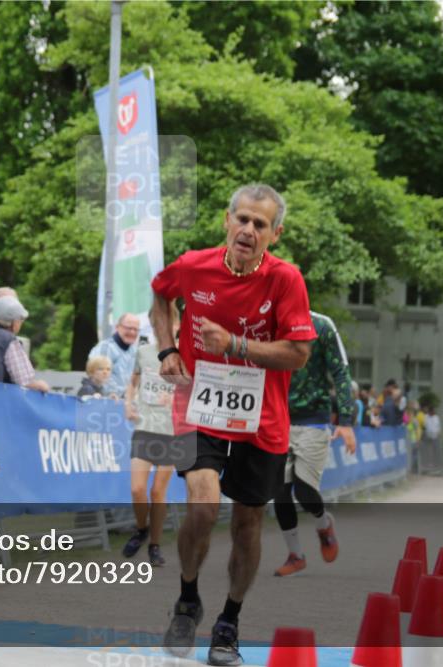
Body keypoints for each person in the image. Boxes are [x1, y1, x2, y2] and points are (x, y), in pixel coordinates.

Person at [150, 183, 315, 666]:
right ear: (227, 221)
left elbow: (299, 353)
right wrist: (168, 349)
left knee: (247, 522)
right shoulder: (193, 265)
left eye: (259, 224)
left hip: (262, 419)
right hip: (198, 406)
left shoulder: (286, 280)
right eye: (241, 219)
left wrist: (237, 346)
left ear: (274, 234)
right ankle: (187, 598)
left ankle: (228, 623)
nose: (248, 230)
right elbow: (161, 298)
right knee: (201, 506)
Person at [272, 311, 356, 577]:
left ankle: (323, 524)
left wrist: (345, 420)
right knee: (280, 491)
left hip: (313, 419)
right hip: (276, 418)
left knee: (304, 489)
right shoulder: (265, 321)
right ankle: (295, 554)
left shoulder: (321, 325)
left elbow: (341, 373)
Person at [121, 306, 179, 568]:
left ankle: (155, 545)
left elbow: (196, 389)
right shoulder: (143, 352)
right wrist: (128, 403)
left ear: (176, 325)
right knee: (137, 489)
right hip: (145, 426)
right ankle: (142, 529)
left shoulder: (186, 354)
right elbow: (132, 382)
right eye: (157, 323)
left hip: (171, 431)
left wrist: (177, 396)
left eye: (167, 323)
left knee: (158, 491)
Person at [87, 313, 141, 399]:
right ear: (117, 327)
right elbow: (100, 379)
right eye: (129, 328)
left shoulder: (135, 351)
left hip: (126, 403)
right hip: (105, 402)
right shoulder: (105, 348)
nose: (132, 332)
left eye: (136, 329)